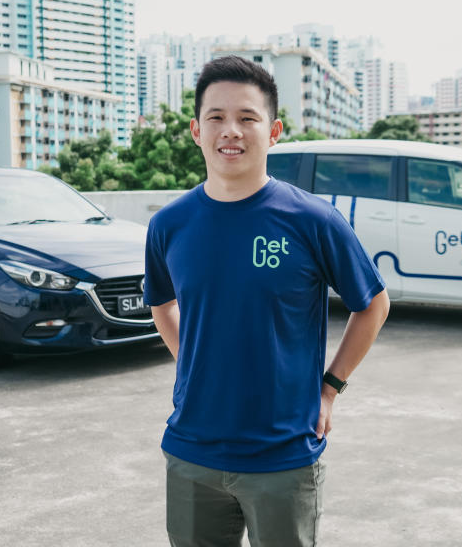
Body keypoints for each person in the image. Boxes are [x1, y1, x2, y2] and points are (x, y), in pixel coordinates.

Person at [144, 55, 390, 547]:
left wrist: (330, 388)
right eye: (216, 117)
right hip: (192, 451)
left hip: (283, 454)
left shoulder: (312, 220)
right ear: (196, 130)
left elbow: (373, 303)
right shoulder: (169, 225)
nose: (230, 130)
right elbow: (162, 304)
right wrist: (189, 364)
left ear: (273, 131)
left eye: (247, 118)